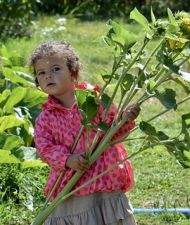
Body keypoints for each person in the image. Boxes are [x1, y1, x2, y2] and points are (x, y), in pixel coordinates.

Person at [30, 40, 140, 225]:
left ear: (73, 71)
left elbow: (113, 131)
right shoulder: (45, 118)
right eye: (41, 73)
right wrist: (66, 159)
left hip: (103, 180)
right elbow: (44, 148)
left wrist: (125, 118)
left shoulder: (94, 101)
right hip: (71, 189)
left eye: (56, 69)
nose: (48, 76)